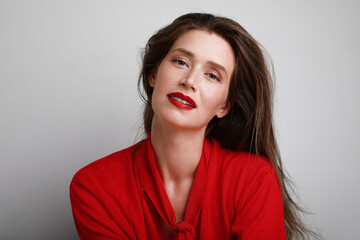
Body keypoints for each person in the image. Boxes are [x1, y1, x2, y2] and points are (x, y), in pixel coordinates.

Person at [70, 13, 315, 239]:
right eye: (181, 62)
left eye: (212, 75)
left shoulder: (253, 180)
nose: (189, 81)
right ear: (153, 74)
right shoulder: (93, 187)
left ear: (224, 106)